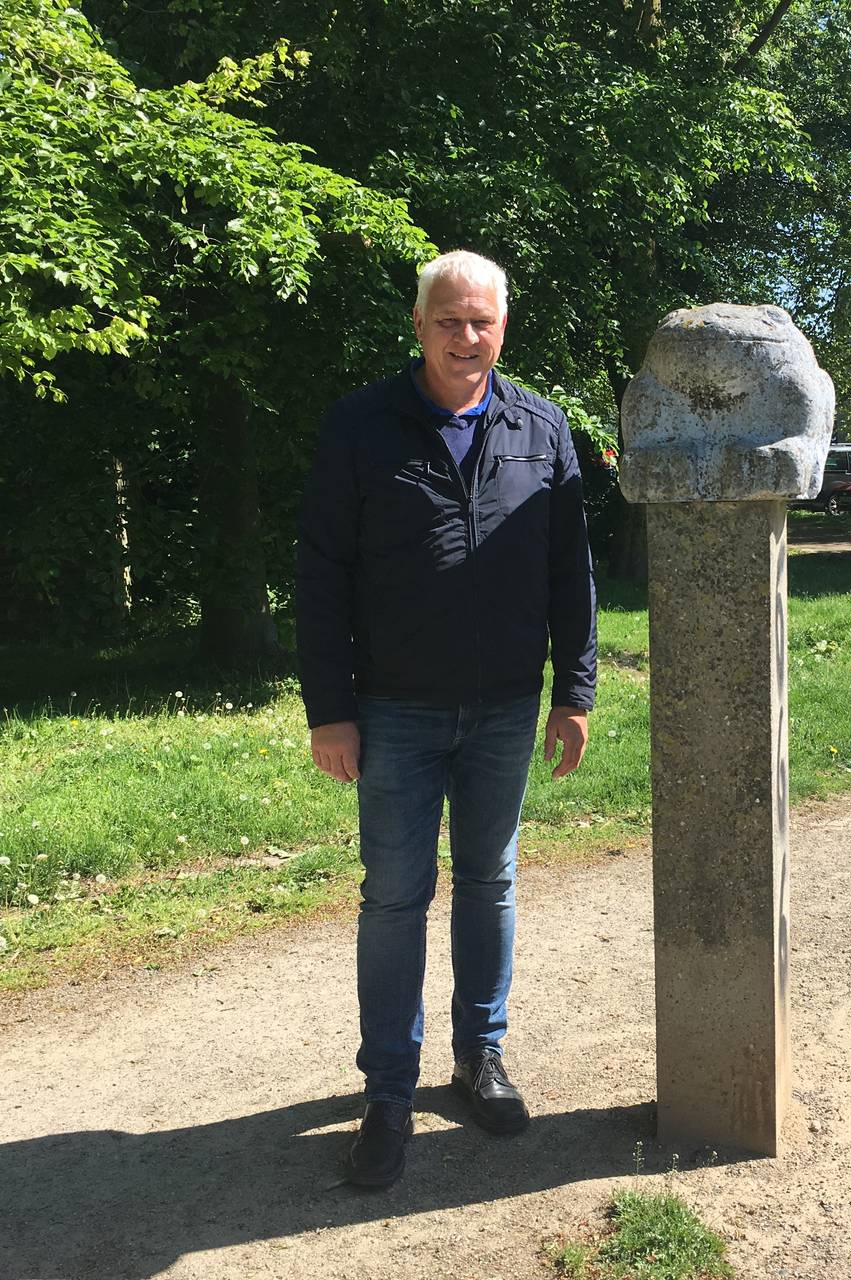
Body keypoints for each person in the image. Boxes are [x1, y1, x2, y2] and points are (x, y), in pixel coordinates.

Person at [295, 249, 596, 1187]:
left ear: (504, 327)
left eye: (483, 322)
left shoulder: (543, 431)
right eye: (449, 320)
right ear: (418, 326)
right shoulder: (358, 427)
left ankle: (480, 1058)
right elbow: (320, 578)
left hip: (506, 706)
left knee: (489, 883)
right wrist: (331, 711)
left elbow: (570, 575)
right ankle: (388, 1092)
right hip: (391, 711)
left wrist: (575, 691)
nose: (467, 337)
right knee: (393, 896)